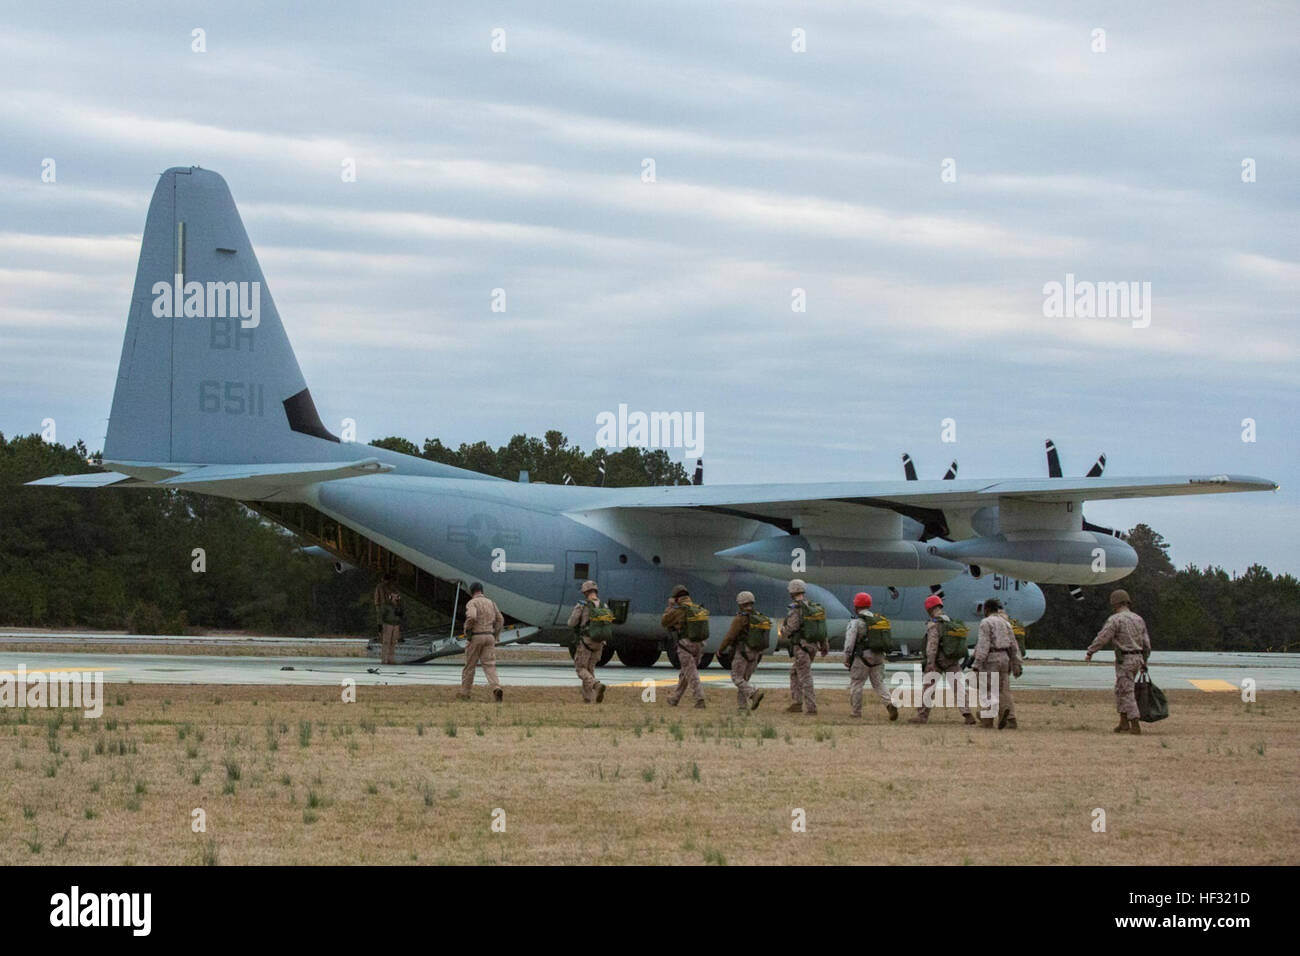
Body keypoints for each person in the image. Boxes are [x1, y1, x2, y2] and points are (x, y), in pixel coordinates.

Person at [1085, 589, 1151, 734]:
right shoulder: (1139, 619)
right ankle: (1123, 722)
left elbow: (1103, 637)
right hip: (1138, 658)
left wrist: (1091, 651)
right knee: (1120, 689)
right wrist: (1144, 661)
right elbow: (1147, 644)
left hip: (1125, 659)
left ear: (1115, 603)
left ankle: (1134, 723)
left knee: (1127, 691)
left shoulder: (1115, 619)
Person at [908, 594, 975, 725]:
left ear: (929, 609)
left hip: (938, 661)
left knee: (928, 688)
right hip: (953, 660)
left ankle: (922, 715)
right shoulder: (951, 622)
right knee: (959, 688)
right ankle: (967, 714)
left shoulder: (935, 624)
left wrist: (930, 663)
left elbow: (932, 646)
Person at [844, 592, 899, 720]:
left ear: (856, 605)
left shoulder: (856, 622)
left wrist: (847, 657)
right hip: (878, 656)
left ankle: (856, 712)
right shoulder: (877, 620)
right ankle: (889, 703)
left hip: (862, 657)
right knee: (879, 683)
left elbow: (849, 642)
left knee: (857, 683)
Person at [778, 580, 828, 715]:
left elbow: (792, 627)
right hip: (812, 647)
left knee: (805, 677)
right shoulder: (812, 607)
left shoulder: (796, 609)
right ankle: (797, 703)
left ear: (792, 592)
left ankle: (811, 708)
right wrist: (824, 645)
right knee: (794, 673)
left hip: (801, 647)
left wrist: (782, 632)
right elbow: (821, 629)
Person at [971, 598, 1022, 728]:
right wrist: (1016, 662)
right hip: (1005, 657)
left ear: (986, 609)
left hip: (991, 658)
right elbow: (1013, 644)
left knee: (988, 688)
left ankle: (987, 719)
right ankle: (1011, 718)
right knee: (1004, 689)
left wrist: (977, 664)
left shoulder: (986, 623)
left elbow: (983, 644)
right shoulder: (1005, 623)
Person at [718, 590, 768, 713]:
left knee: (736, 678)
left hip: (743, 652)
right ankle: (742, 708)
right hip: (756, 653)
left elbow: (730, 636)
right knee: (744, 680)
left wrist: (721, 649)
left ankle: (753, 694)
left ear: (740, 604)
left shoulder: (740, 618)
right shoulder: (759, 617)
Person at [661, 584, 708, 708]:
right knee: (685, 674)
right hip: (700, 645)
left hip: (685, 645)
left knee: (691, 674)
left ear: (676, 598)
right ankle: (674, 698)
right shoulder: (696, 608)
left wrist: (670, 606)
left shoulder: (678, 610)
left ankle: (699, 699)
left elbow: (664, 622)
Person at [567, 579, 611, 703]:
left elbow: (572, 623)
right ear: (595, 591)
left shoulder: (582, 605)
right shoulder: (604, 606)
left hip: (586, 642)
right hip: (600, 643)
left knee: (580, 669)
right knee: (590, 670)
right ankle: (588, 698)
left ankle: (596, 685)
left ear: (585, 592)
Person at [459, 582, 504, 702]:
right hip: (489, 636)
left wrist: (467, 628)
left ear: (471, 592)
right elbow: (500, 619)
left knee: (470, 666)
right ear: (482, 591)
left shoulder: (472, 603)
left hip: (476, 636)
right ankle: (496, 687)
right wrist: (496, 634)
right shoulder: (491, 602)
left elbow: (472, 617)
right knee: (490, 665)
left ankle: (465, 693)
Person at [378, 586, 403, 665]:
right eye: (395, 595)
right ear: (391, 596)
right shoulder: (386, 605)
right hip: (388, 624)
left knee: (393, 642)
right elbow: (381, 616)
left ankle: (391, 659)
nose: (396, 597)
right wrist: (380, 627)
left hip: (396, 625)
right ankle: (384, 659)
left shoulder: (399, 605)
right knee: (386, 642)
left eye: (397, 595)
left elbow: (401, 615)